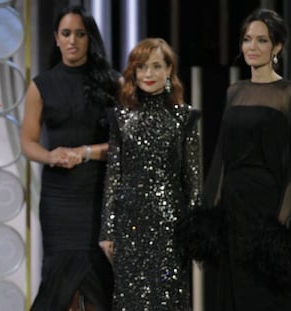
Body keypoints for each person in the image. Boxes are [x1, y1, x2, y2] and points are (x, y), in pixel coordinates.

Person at [178, 8, 291, 311]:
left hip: (268, 206)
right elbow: (222, 155)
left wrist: (282, 223)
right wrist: (209, 208)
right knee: (233, 292)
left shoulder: (286, 93)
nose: (252, 47)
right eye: (247, 39)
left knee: (267, 292)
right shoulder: (234, 91)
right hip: (233, 207)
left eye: (262, 40)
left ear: (277, 46)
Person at [21, 5, 120, 311]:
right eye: (66, 33)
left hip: (98, 194)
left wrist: (86, 152)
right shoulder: (41, 85)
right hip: (59, 199)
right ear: (56, 38)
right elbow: (27, 143)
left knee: (100, 282)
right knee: (57, 278)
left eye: (80, 33)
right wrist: (51, 156)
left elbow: (125, 145)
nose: (73, 40)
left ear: (90, 38)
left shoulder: (112, 83)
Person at [99, 37, 201, 310]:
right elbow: (114, 176)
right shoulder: (121, 118)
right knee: (130, 299)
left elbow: (193, 180)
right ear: (133, 71)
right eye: (142, 67)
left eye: (156, 66)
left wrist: (194, 232)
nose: (148, 74)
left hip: (171, 227)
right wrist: (107, 230)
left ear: (169, 70)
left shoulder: (184, 119)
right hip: (128, 225)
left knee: (168, 298)